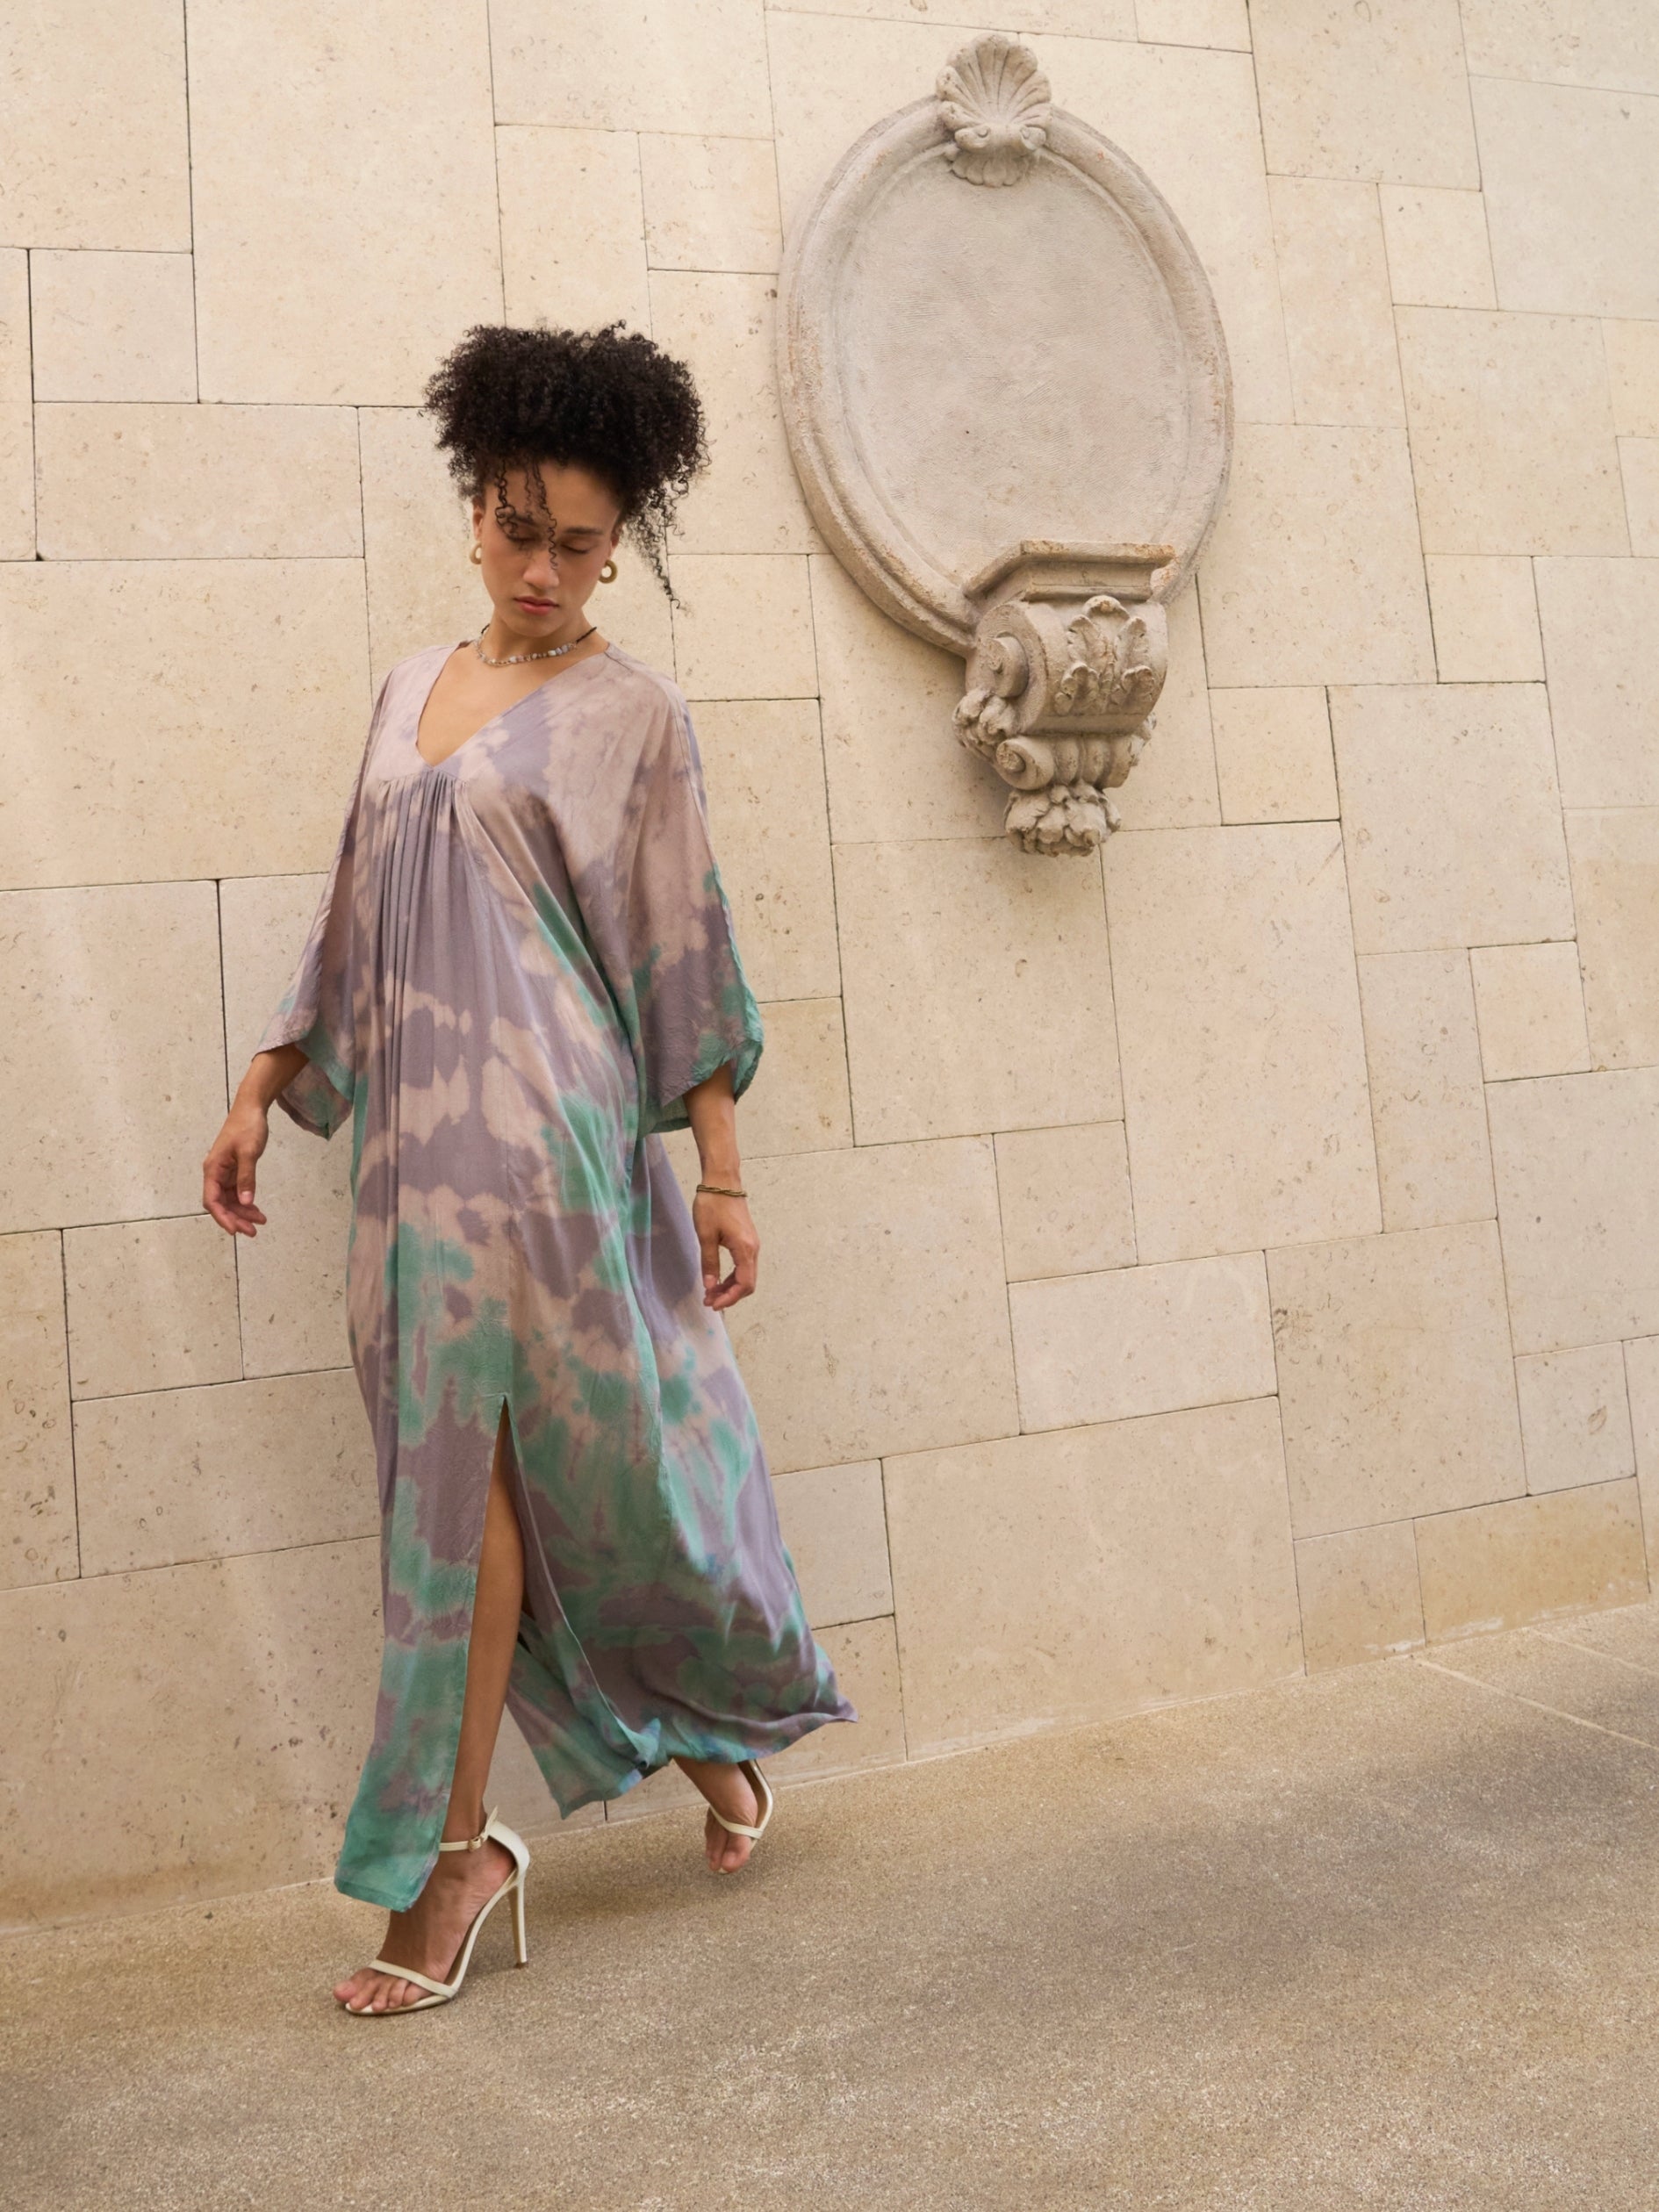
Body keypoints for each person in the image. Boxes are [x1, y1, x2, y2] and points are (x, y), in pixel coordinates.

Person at [203, 321, 855, 2017]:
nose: (543, 566)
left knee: (475, 1505)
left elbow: (679, 953)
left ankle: (447, 1869)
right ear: (472, 511)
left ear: (619, 539)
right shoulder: (405, 690)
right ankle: (697, 1743)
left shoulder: (635, 717)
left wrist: (718, 1170)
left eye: (579, 540)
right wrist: (264, 1084)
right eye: (515, 527)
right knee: (517, 1497)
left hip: (554, 1148)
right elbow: (351, 917)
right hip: (411, 1162)